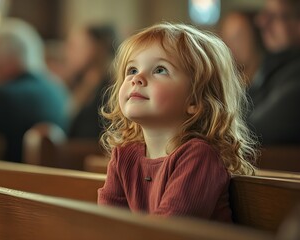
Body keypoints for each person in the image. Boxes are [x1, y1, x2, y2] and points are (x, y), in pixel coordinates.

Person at [97, 22, 258, 221]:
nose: (137, 78)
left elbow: (166, 232)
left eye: (160, 70)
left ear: (195, 100)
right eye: (131, 70)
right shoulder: (124, 156)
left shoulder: (199, 157)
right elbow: (106, 224)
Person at [0, 18, 68, 163]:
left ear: (6, 60)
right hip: (58, 182)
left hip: (13, 182)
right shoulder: (58, 90)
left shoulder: (1, 97)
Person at [248, 0, 300, 145]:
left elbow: (255, 127)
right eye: (264, 14)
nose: (261, 22)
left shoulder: (294, 75)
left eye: (273, 16)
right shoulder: (276, 66)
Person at [64, 24, 118, 139]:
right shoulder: (79, 82)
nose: (68, 52)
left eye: (76, 46)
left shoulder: (112, 89)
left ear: (100, 48)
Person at [219, 10, 266, 86]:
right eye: (226, 38)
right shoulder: (225, 84)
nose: (229, 46)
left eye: (238, 37)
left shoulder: (272, 82)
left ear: (255, 37)